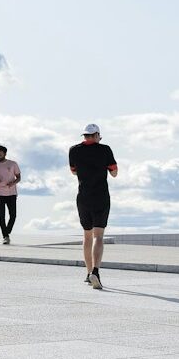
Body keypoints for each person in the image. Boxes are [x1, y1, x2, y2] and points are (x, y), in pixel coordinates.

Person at [68, 124, 117, 290]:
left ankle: (88, 273)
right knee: (99, 236)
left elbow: (73, 171)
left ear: (84, 136)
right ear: (96, 135)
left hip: (83, 197)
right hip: (101, 197)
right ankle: (96, 271)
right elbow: (114, 172)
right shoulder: (105, 150)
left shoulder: (74, 150)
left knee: (87, 236)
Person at [0, 145, 21, 245]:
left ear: (5, 153)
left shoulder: (13, 163)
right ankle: (5, 237)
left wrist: (13, 183)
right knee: (1, 216)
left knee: (13, 215)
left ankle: (7, 231)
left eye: (0, 153)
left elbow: (19, 177)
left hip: (11, 193)